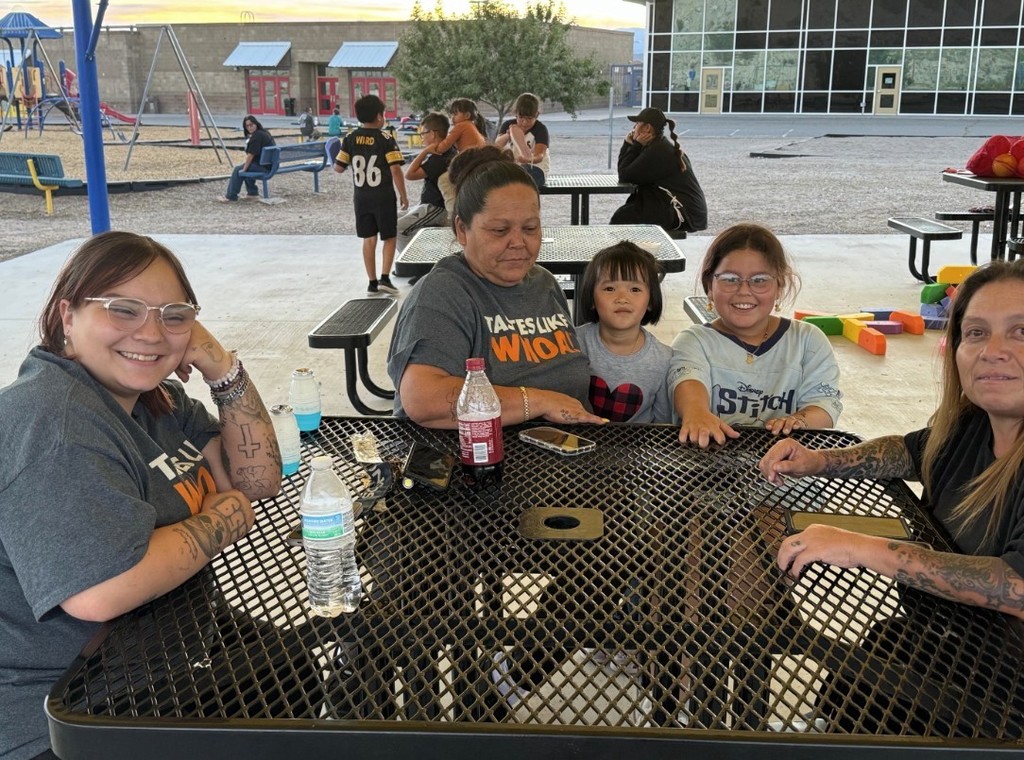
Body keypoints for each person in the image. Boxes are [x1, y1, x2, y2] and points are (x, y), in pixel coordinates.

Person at [0, 231, 282, 760]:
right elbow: (99, 590)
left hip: (166, 646)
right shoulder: (54, 419)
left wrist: (223, 370)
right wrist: (221, 518)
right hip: (65, 713)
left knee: (302, 674)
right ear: (67, 317)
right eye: (123, 310)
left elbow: (256, 481)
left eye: (174, 316)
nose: (151, 333)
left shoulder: (158, 402)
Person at [761, 259, 1024, 732]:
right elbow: (908, 451)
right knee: (871, 664)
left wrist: (863, 548)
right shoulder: (971, 425)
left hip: (1001, 701)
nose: (994, 351)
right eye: (977, 333)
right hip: (949, 647)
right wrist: (820, 460)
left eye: (1021, 331)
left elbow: (1018, 587)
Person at [386, 146, 604, 428]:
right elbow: (423, 399)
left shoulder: (545, 283)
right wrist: (538, 401)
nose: (518, 242)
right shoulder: (444, 293)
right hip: (474, 461)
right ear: (462, 230)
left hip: (561, 455)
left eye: (530, 228)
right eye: (499, 230)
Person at [670, 223, 842, 447]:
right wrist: (696, 413)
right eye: (730, 279)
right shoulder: (694, 341)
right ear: (709, 286)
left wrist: (799, 420)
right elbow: (688, 381)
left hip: (787, 471)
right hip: (706, 469)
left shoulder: (808, 340)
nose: (744, 291)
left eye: (760, 280)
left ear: (779, 286)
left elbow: (825, 403)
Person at [575, 241, 673, 423]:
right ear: (592, 298)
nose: (622, 298)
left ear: (651, 300)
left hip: (637, 450)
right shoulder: (573, 344)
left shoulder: (664, 359)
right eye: (609, 288)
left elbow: (663, 425)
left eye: (635, 289)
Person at [334, 94, 409, 297]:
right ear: (379, 117)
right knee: (389, 236)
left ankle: (372, 282)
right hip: (383, 196)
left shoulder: (349, 138)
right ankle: (385, 278)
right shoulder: (386, 139)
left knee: (369, 239)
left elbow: (338, 168)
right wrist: (403, 195)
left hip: (361, 197)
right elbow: (395, 170)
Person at [610, 107, 707, 234]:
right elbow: (625, 172)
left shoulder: (659, 151)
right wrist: (629, 144)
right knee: (625, 215)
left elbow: (625, 176)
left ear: (647, 128)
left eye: (638, 123)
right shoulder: (657, 145)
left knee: (622, 218)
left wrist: (634, 146)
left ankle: (630, 253)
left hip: (684, 212)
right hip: (680, 208)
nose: (634, 127)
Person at [396, 111, 458, 251]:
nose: (421, 137)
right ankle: (414, 257)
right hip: (427, 206)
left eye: (423, 133)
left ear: (433, 134)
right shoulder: (445, 151)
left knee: (397, 228)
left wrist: (424, 152)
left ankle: (409, 264)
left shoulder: (441, 157)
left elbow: (409, 175)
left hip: (436, 208)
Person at [494, 92, 550, 188]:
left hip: (536, 168)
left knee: (522, 176)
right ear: (515, 114)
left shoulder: (540, 129)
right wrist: (509, 134)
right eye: (521, 118)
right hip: (514, 168)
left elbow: (539, 155)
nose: (524, 122)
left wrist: (529, 159)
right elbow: (497, 145)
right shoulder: (508, 124)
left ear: (536, 115)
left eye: (529, 118)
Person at [219, 114, 275, 202]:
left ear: (256, 124)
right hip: (271, 165)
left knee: (238, 170)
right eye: (247, 126)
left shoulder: (257, 136)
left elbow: (251, 155)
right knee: (249, 166)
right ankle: (252, 193)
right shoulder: (264, 132)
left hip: (264, 167)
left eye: (251, 124)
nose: (250, 127)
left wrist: (244, 169)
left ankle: (230, 196)